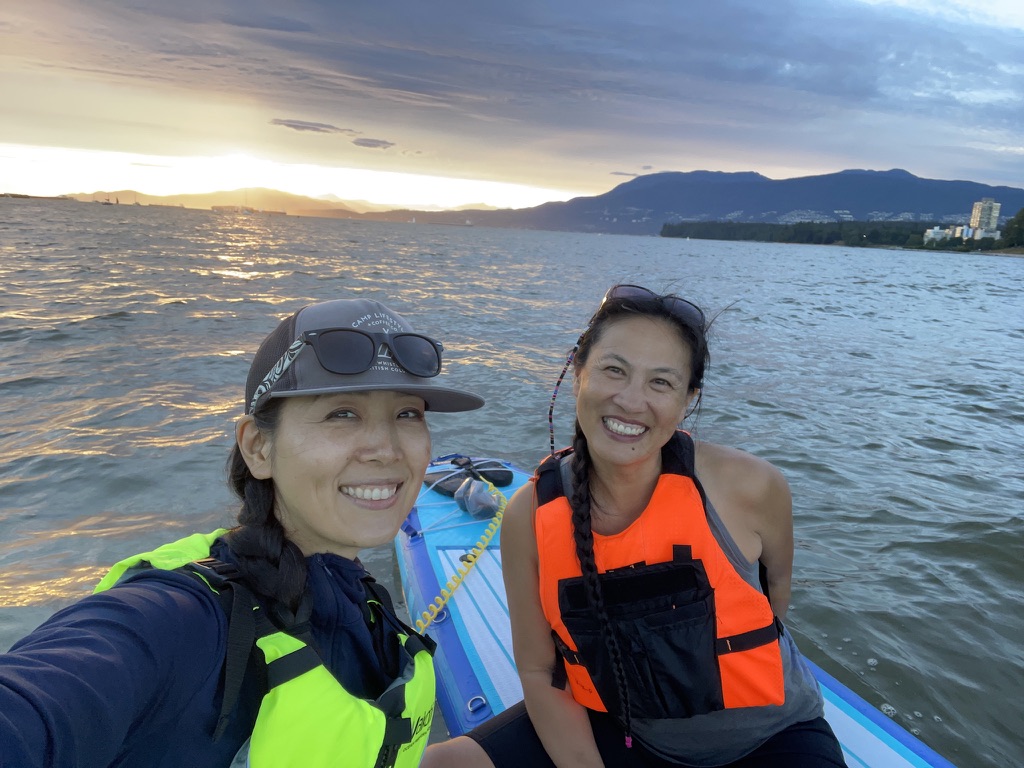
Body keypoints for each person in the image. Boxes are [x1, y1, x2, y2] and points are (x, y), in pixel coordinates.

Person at [0, 297, 484, 768]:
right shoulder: (178, 621)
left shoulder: (361, 601)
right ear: (258, 447)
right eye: (343, 413)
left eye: (408, 414)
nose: (386, 449)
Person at [427, 284, 846, 767]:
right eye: (613, 370)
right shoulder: (530, 515)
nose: (630, 401)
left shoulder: (749, 487)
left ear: (689, 400)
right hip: (624, 728)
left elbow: (776, 595)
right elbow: (540, 670)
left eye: (660, 383)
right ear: (579, 372)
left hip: (768, 739)